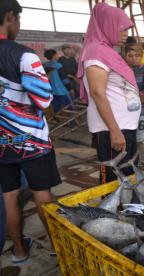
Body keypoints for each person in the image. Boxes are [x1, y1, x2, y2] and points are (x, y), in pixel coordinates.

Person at [0, 0, 61, 264]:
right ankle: (57, 247)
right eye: (18, 20)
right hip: (31, 141)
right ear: (10, 17)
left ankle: (19, 251)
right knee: (42, 193)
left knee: (9, 196)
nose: (19, 25)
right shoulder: (24, 55)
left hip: (2, 143)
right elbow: (44, 100)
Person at [77, 3, 141, 184]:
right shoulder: (96, 51)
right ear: (106, 25)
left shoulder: (106, 51)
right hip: (113, 128)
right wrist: (114, 131)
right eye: (121, 28)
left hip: (122, 126)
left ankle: (126, 210)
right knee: (114, 178)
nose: (125, 34)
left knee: (127, 174)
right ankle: (112, 211)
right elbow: (97, 92)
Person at [124, 44, 144, 169]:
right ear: (125, 56)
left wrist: (130, 103)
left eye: (137, 56)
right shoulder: (125, 71)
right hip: (131, 110)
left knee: (141, 137)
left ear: (142, 57)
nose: (133, 58)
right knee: (135, 137)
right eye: (130, 56)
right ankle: (142, 160)